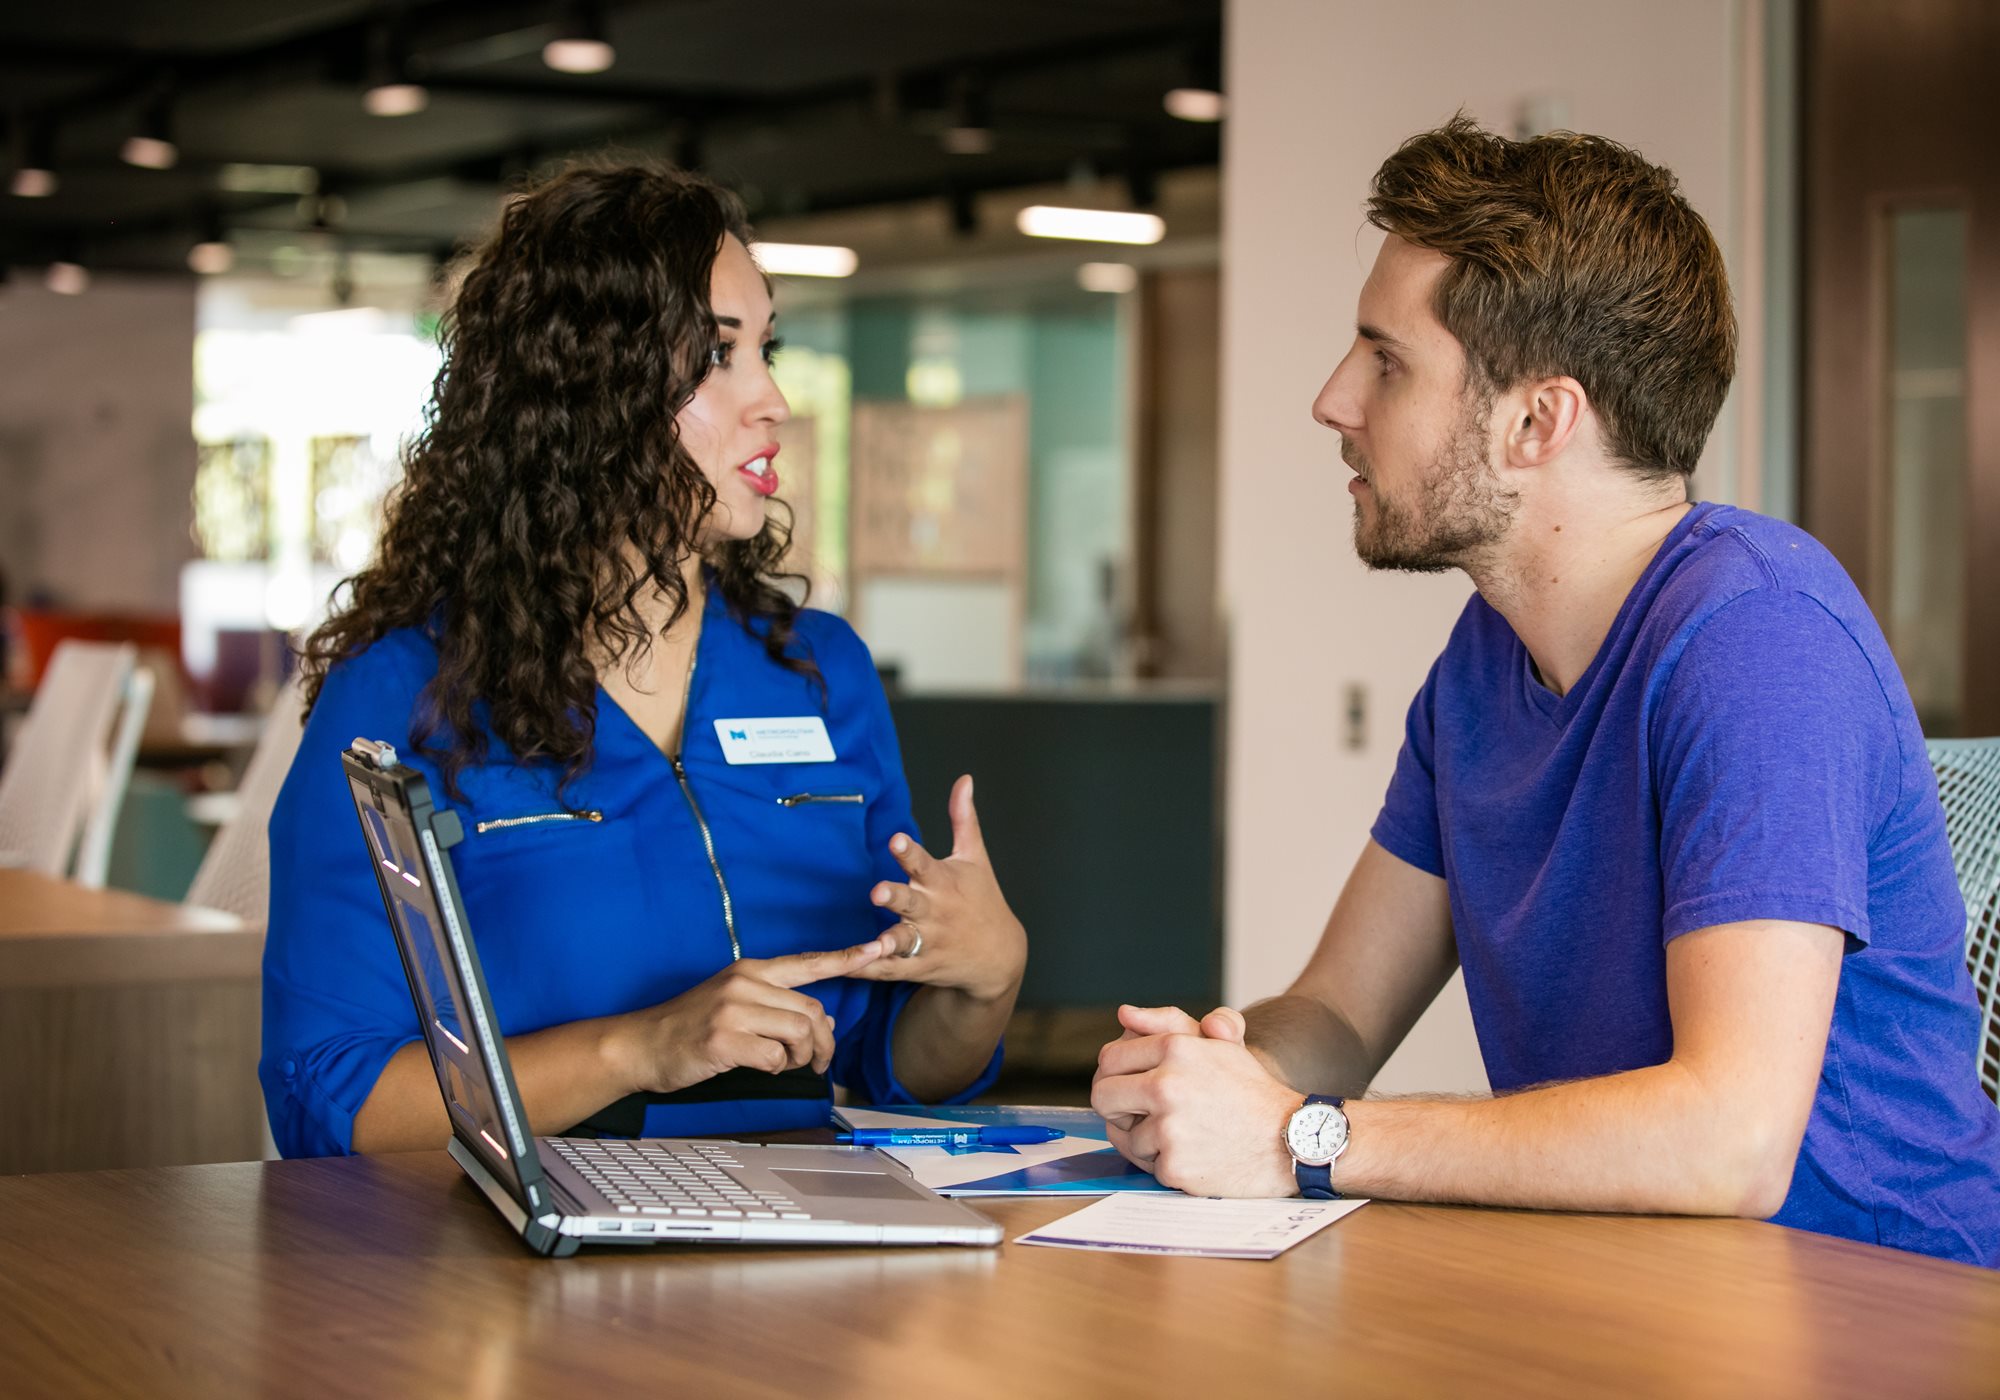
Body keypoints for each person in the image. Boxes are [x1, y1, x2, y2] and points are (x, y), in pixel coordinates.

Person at [1091, 117, 2000, 1266]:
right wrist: (1218, 1070)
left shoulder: (1756, 636)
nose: (1331, 401)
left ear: (1535, 420)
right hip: (1637, 1288)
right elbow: (1335, 1017)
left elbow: (1730, 1139)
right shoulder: (1483, 661)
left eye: (1384, 360)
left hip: (1875, 1307)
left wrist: (1298, 1135)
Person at [262, 161, 1027, 1158]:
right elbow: (332, 1098)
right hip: (512, 1270)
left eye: (766, 348)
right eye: (716, 355)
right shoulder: (405, 691)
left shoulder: (820, 669)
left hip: (809, 1252)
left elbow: (886, 1059)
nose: (773, 401)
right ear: (584, 385)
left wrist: (985, 973)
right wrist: (637, 1047)